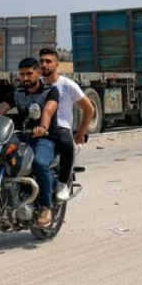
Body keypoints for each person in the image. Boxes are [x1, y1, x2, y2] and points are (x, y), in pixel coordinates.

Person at [0, 57, 59, 228]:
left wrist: (42, 127)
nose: (25, 78)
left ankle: (45, 207)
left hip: (44, 137)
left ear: (39, 73)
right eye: (22, 74)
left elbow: (48, 111)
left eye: (29, 73)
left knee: (39, 163)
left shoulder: (50, 91)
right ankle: (4, 201)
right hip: (22, 136)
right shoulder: (17, 93)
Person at [38, 47, 94, 202]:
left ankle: (63, 183)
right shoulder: (37, 85)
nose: (44, 64)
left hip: (61, 127)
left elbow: (89, 109)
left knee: (66, 143)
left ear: (57, 64)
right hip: (41, 127)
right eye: (41, 61)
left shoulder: (68, 85)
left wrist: (80, 133)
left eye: (48, 61)